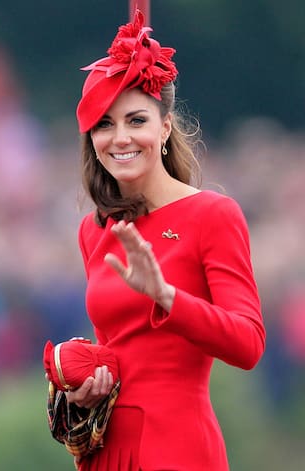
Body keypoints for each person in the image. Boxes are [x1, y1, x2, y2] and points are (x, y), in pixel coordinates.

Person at [66, 9, 266, 471]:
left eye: (136, 120)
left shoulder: (213, 215)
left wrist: (166, 297)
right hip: (106, 450)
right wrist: (85, 384)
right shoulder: (93, 229)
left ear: (165, 128)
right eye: (104, 124)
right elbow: (117, 353)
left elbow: (249, 344)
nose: (119, 138)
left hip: (178, 447)